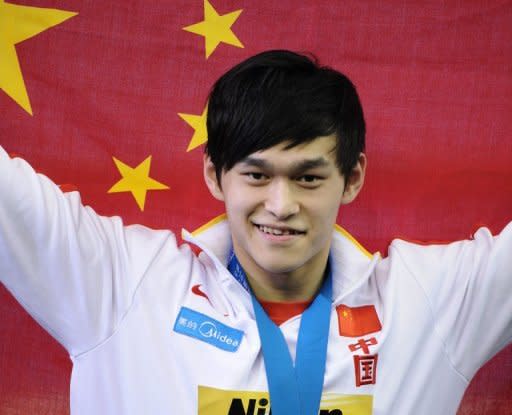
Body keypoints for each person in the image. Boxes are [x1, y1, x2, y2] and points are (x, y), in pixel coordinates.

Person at [0, 50, 510, 415]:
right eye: (257, 175)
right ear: (213, 175)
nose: (281, 205)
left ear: (351, 179)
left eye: (308, 178)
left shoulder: (427, 302)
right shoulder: (120, 284)